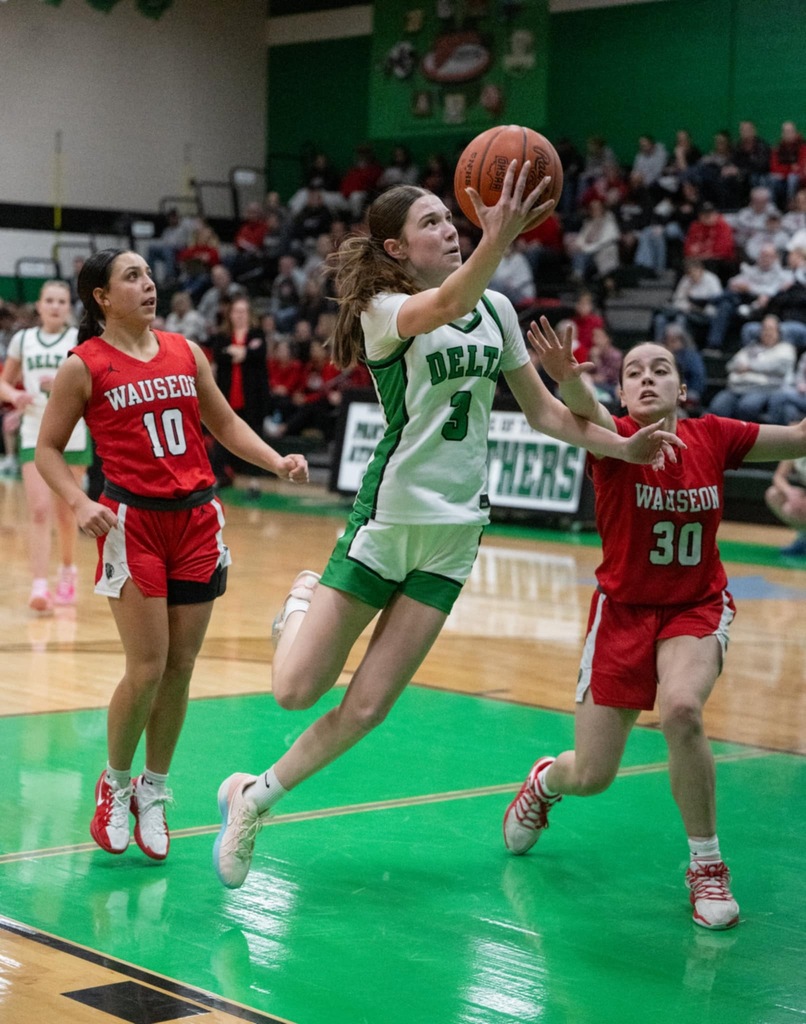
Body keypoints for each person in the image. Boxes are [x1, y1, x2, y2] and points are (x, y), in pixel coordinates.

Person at [209, 169, 684, 890]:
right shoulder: (384, 310)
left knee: (368, 706)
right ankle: (302, 602)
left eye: (448, 219)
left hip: (457, 533)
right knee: (296, 693)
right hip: (389, 519)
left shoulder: (492, 308)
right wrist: (500, 234)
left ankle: (255, 798)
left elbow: (546, 411)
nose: (449, 228)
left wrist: (620, 446)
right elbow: (450, 299)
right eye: (432, 223)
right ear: (397, 249)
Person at [506, 316, 806, 930]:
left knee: (682, 710)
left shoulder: (715, 435)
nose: (646, 379)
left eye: (660, 370)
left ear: (683, 390)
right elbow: (582, 406)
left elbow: (800, 437)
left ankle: (706, 864)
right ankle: (544, 781)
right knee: (591, 775)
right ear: (622, 395)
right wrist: (566, 379)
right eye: (634, 373)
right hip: (621, 615)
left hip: (695, 605)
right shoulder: (612, 438)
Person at [35, 249, 308, 863]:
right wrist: (80, 505)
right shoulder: (84, 366)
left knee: (182, 665)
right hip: (132, 523)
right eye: (132, 276)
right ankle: (114, 783)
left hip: (197, 519)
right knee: (147, 665)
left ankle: (153, 791)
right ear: (101, 296)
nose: (149, 284)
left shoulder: (187, 352)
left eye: (149, 274)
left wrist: (276, 460)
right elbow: (47, 450)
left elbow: (227, 424)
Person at [0, 280, 92, 612]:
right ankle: (39, 583)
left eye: (61, 301)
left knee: (66, 514)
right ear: (39, 305)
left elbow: (95, 384)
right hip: (35, 432)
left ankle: (68, 569)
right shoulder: (23, 340)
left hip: (73, 434)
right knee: (39, 511)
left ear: (69, 307)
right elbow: (3, 382)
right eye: (49, 300)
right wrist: (15, 396)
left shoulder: (78, 340)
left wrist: (64, 385)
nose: (55, 306)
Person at [208, 295, 272, 496]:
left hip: (252, 398)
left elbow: (257, 354)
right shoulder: (223, 336)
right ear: (230, 314)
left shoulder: (257, 333)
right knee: (222, 437)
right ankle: (221, 476)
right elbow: (220, 354)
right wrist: (241, 352)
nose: (240, 316)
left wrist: (238, 353)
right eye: (237, 311)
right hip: (227, 396)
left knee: (255, 438)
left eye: (244, 311)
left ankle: (254, 482)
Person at [708, 314, 796, 422]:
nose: (767, 333)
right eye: (764, 329)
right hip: (736, 387)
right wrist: (757, 368)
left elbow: (778, 367)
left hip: (763, 389)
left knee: (747, 407)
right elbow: (731, 365)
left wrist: (750, 367)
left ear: (779, 332)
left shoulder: (785, 349)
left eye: (771, 329)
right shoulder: (751, 347)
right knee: (717, 407)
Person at [765, 455, 806, 556]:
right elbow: (778, 477)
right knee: (774, 495)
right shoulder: (796, 445)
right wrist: (790, 492)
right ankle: (804, 538)